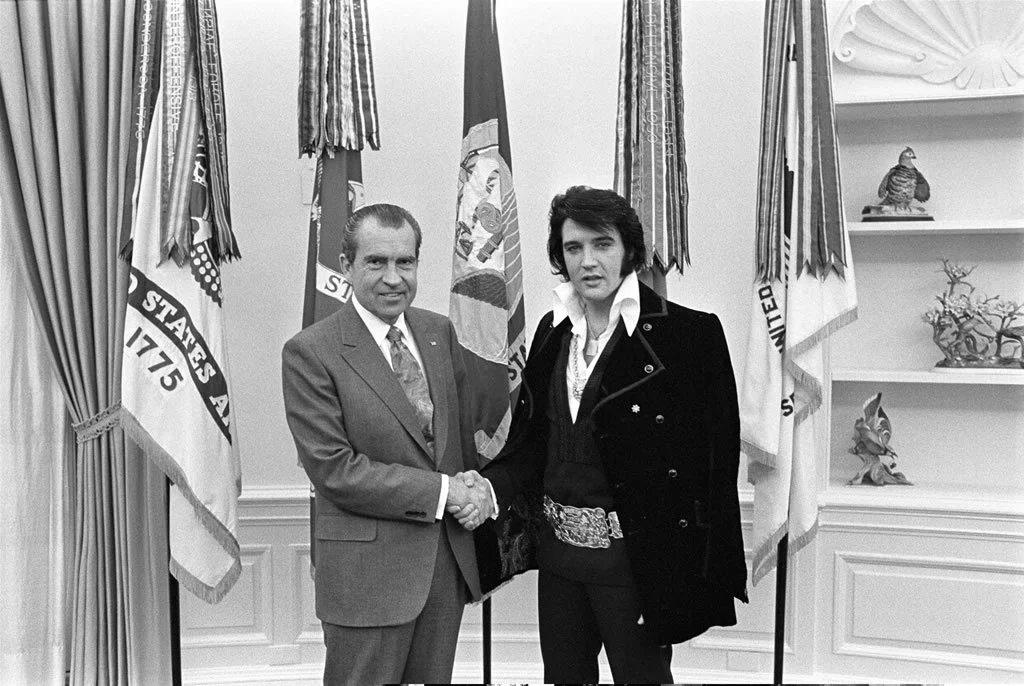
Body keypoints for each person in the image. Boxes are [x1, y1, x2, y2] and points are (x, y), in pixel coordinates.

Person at [451, 186, 749, 683]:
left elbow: (714, 465)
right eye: (573, 248)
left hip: (637, 564)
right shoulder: (552, 331)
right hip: (560, 561)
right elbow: (534, 447)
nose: (588, 261)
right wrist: (487, 486)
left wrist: (687, 575)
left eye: (602, 244)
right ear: (560, 257)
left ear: (628, 249)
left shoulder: (689, 335)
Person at [282, 203, 493, 685]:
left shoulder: (438, 331)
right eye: (376, 262)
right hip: (365, 580)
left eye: (406, 263)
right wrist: (445, 493)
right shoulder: (310, 351)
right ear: (346, 266)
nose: (393, 278)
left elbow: (456, 445)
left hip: (444, 570)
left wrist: (474, 485)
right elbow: (335, 469)